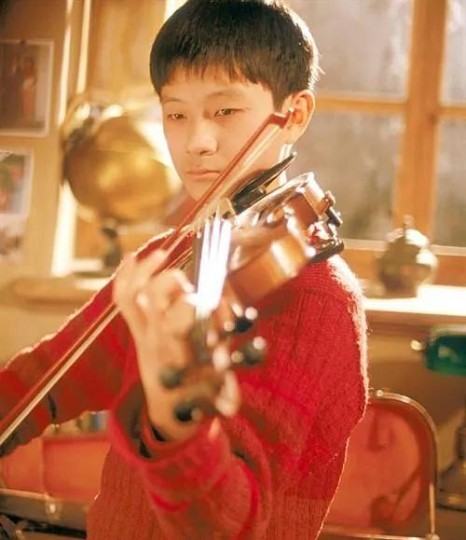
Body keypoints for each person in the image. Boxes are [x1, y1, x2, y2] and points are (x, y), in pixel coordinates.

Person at [0, 1, 368, 538]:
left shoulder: (316, 300)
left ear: (294, 114)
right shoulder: (172, 258)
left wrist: (177, 424)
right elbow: (48, 377)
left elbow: (225, 525)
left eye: (225, 111)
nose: (197, 142)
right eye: (176, 114)